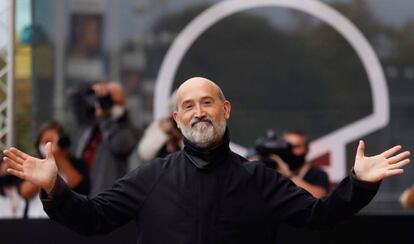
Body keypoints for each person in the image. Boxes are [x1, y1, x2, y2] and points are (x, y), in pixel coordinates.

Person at [3, 77, 411, 243]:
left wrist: (360, 183)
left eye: (207, 103)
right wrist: (54, 187)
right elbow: (90, 218)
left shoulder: (259, 178)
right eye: (188, 106)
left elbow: (321, 215)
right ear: (177, 119)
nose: (198, 111)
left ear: (225, 109)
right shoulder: (149, 178)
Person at [75, 81, 138, 196]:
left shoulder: (127, 127)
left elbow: (119, 146)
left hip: (105, 196)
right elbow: (74, 98)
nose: (108, 101)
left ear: (122, 101)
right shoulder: (92, 122)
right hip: (83, 193)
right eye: (107, 96)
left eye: (113, 98)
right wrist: (92, 88)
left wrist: (106, 118)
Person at [18, 121, 90, 217]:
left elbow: (80, 186)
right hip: (36, 222)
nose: (49, 146)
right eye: (45, 141)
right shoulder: (32, 162)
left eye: (53, 141)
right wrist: (44, 169)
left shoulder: (76, 163)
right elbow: (25, 192)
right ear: (38, 143)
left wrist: (59, 158)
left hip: (68, 222)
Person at [137, 91, 183, 161]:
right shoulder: (160, 124)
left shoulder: (191, 127)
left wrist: (179, 137)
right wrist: (162, 133)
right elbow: (144, 153)